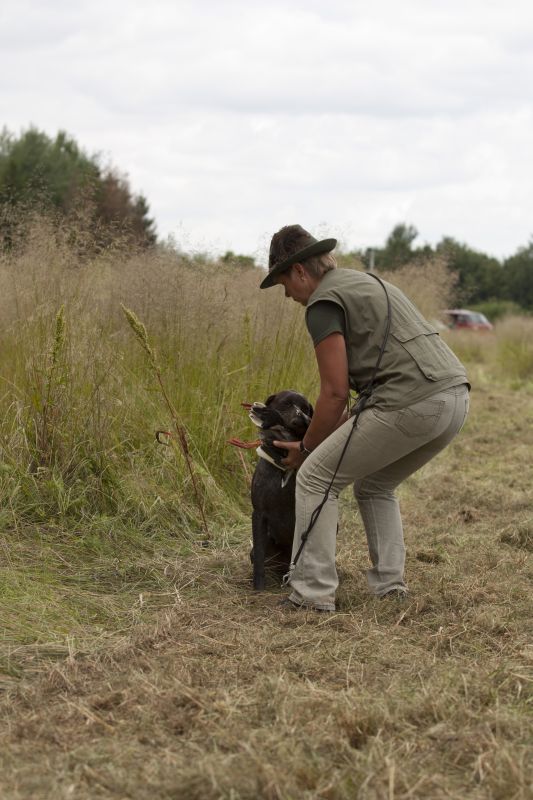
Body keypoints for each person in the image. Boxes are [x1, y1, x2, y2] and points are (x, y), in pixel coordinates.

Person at [260, 224, 469, 612]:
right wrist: (318, 443)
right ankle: (390, 588)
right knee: (374, 485)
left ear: (301, 272)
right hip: (453, 399)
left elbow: (336, 392)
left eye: (284, 283)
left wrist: (307, 450)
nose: (287, 295)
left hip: (411, 404)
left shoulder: (323, 302)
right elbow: (362, 408)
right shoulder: (367, 283)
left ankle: (311, 593)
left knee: (316, 479)